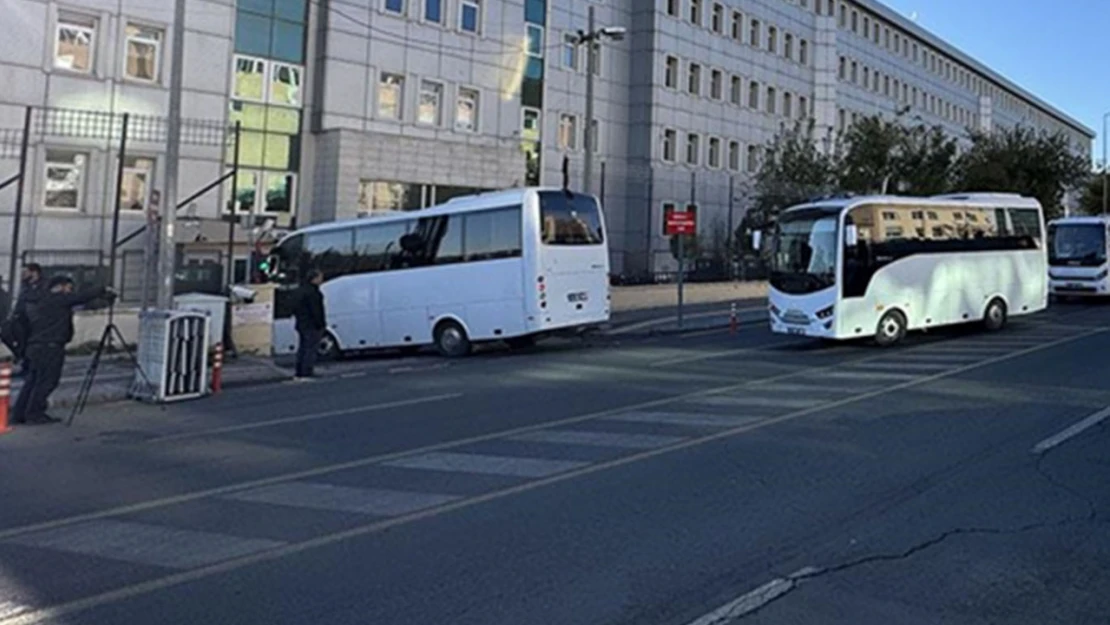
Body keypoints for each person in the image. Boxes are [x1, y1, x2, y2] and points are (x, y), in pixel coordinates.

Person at [11, 276, 113, 425]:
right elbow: (81, 298)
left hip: (35, 346)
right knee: (47, 381)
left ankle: (19, 414)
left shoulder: (40, 299)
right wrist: (101, 289)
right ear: (61, 287)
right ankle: (34, 413)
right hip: (50, 347)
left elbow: (83, 303)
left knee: (32, 381)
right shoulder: (57, 299)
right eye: (69, 289)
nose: (70, 292)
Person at [2, 264, 45, 377]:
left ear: (34, 272)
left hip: (33, 320)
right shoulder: (25, 286)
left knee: (28, 344)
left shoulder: (43, 286)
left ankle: (29, 366)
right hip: (20, 319)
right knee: (7, 335)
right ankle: (21, 358)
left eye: (25, 272)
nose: (23, 275)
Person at [292, 269, 326, 380]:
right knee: (310, 348)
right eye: (320, 277)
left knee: (302, 347)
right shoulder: (314, 293)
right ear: (314, 279)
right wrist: (321, 324)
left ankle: (299, 371)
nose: (322, 279)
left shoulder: (299, 291)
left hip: (301, 323)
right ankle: (307, 371)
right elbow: (316, 311)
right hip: (312, 325)